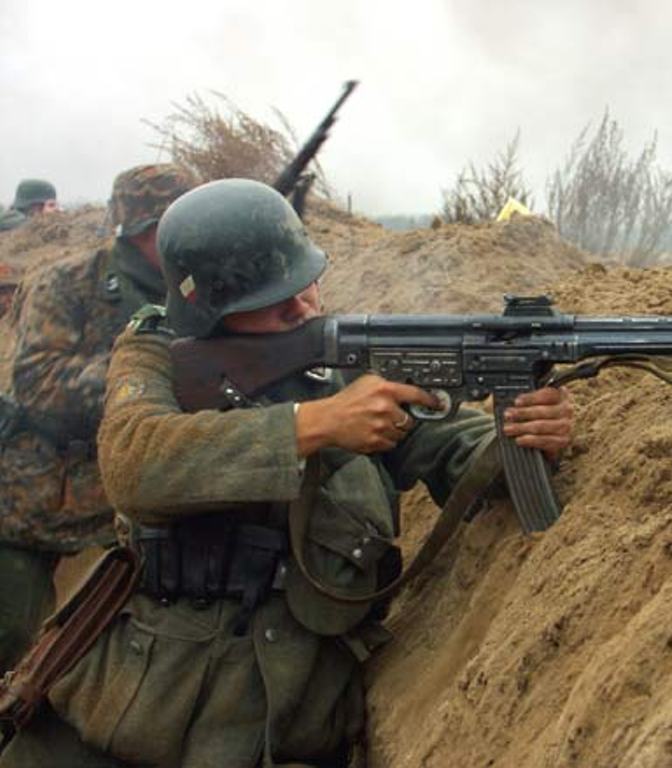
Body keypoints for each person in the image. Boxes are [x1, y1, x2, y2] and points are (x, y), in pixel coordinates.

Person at [0, 178, 573, 767]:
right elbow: (134, 462)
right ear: (206, 310)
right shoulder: (156, 351)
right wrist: (314, 425)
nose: (303, 307)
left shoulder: (347, 362)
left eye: (305, 286)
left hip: (285, 724)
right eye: (273, 302)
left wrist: (524, 437)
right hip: (125, 711)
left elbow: (461, 457)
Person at [0, 164, 197, 676]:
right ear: (144, 228)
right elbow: (38, 383)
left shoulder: (199, 287)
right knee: (13, 637)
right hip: (35, 495)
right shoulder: (65, 284)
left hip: (134, 498)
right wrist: (146, 372)